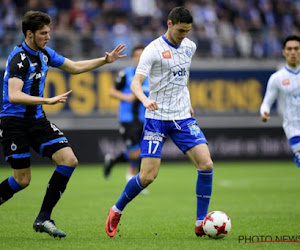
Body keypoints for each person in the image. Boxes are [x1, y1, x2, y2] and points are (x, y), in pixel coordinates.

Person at [0, 11, 126, 238]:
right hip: (14, 123)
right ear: (29, 34)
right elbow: (14, 95)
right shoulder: (18, 58)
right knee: (23, 180)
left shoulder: (46, 54)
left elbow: (75, 67)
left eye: (49, 32)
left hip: (37, 121)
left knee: (69, 160)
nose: (48, 37)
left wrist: (104, 61)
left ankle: (43, 218)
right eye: (43, 33)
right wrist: (46, 100)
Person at [105, 6, 214, 238]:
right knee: (147, 176)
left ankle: (200, 222)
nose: (184, 35)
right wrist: (144, 99)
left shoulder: (190, 47)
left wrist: (189, 100)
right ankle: (116, 210)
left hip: (183, 117)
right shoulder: (152, 50)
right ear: (169, 24)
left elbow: (185, 75)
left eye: (188, 31)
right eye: (181, 30)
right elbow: (136, 83)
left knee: (206, 165)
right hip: (156, 119)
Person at [103, 45, 149, 183]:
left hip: (145, 118)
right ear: (133, 58)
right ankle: (133, 179)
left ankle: (113, 160)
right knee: (135, 152)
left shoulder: (151, 76)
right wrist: (127, 97)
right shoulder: (126, 74)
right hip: (128, 119)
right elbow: (112, 91)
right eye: (136, 56)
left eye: (142, 56)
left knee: (142, 151)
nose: (139, 59)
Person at [260, 35, 300, 167]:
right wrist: (264, 112)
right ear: (284, 52)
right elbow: (267, 101)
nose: (293, 52)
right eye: (289, 49)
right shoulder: (277, 78)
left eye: (296, 48)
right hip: (293, 129)